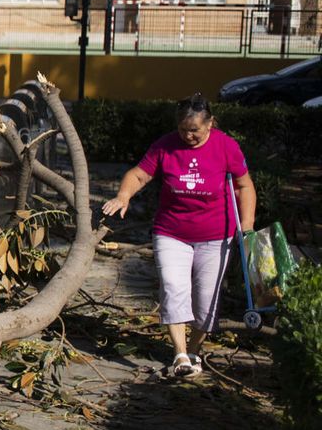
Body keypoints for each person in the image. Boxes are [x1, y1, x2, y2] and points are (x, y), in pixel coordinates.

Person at [101, 93, 255, 378]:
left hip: (216, 235)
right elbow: (138, 175)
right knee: (174, 287)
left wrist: (246, 226)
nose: (188, 136)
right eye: (183, 130)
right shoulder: (165, 146)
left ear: (211, 123)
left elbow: (244, 186)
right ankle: (180, 354)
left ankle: (195, 351)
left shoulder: (226, 147)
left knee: (207, 297)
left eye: (194, 130)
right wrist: (124, 196)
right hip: (171, 232)